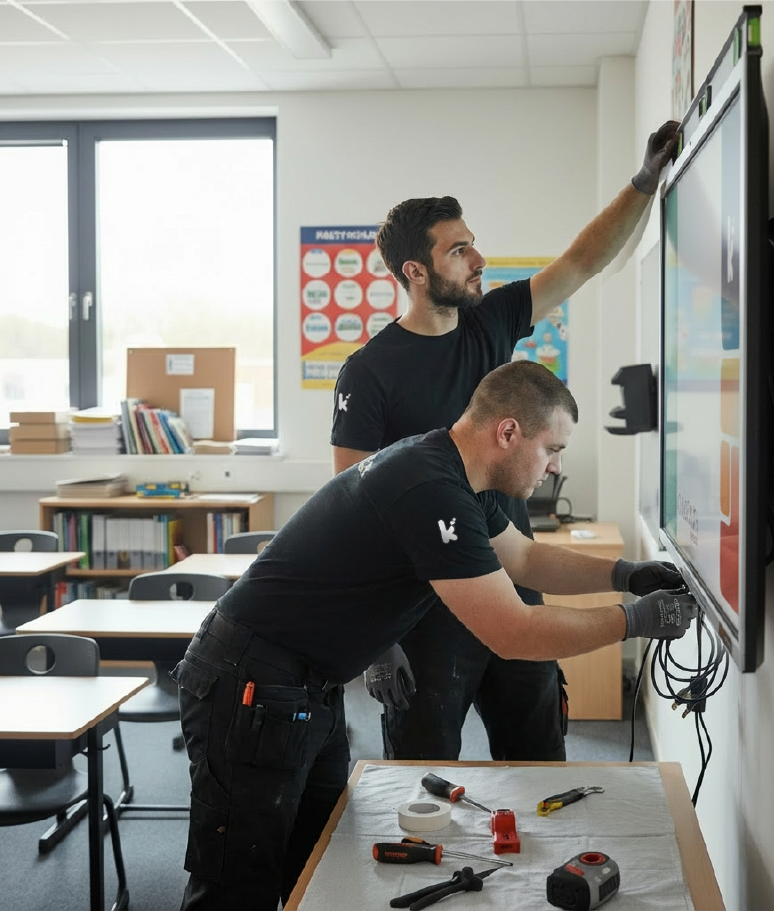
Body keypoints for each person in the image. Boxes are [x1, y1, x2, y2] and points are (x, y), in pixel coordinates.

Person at [174, 361, 695, 910]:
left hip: (307, 685)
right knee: (237, 885)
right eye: (552, 448)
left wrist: (625, 574)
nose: (556, 466)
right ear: (508, 432)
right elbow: (514, 632)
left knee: (318, 864)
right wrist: (637, 621)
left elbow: (524, 558)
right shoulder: (429, 487)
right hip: (252, 681)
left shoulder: (458, 474)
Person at [333, 119, 682, 762]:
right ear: (415, 271)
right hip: (424, 606)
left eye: (473, 245)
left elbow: (580, 262)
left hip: (510, 568)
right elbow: (349, 509)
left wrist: (643, 181)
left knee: (539, 763)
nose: (479, 260)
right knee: (423, 777)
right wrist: (376, 639)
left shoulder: (489, 323)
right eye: (459, 250)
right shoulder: (369, 372)